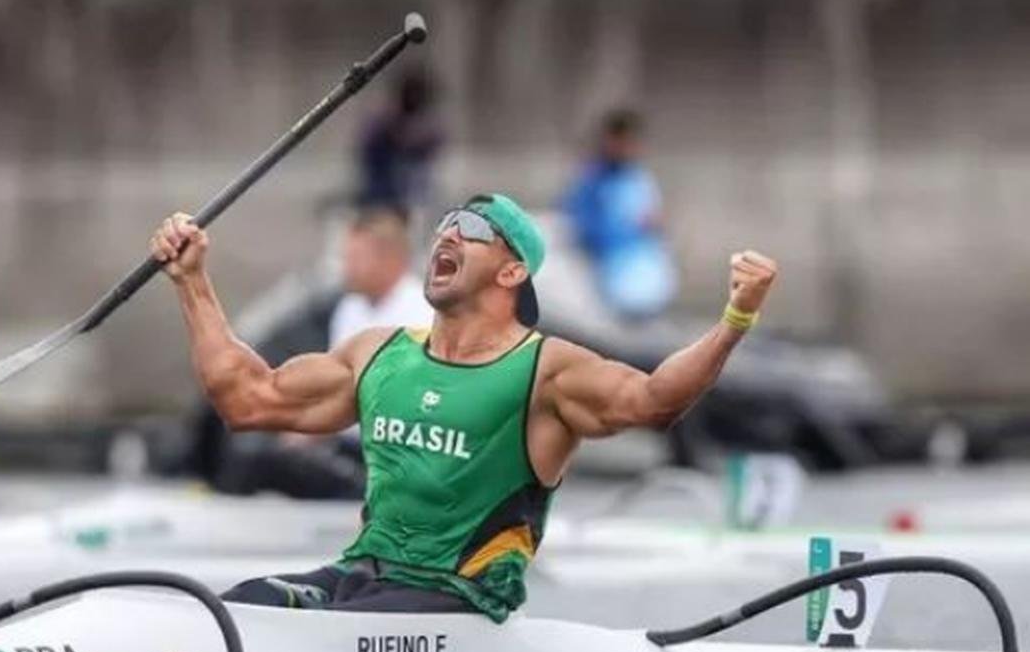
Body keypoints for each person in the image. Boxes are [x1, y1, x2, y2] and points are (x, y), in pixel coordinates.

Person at [149, 193, 776, 621]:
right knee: (232, 607)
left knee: (290, 624)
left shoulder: (546, 370)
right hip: (360, 577)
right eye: (446, 223)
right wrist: (193, 282)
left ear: (511, 273)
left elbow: (654, 401)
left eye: (474, 230)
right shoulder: (378, 354)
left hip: (457, 599)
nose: (448, 233)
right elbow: (248, 399)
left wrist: (735, 318)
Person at [562, 109, 677, 320]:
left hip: (647, 274)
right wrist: (632, 229)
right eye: (625, 142)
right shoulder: (592, 181)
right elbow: (584, 230)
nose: (631, 148)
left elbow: (653, 222)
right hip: (615, 273)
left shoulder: (638, 177)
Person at [329, 206, 432, 349]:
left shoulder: (424, 311)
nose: (348, 269)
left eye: (357, 259)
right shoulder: (348, 308)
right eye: (347, 259)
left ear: (390, 260)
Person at [355, 68, 443, 210]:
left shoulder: (425, 126)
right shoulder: (383, 122)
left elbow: (432, 144)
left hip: (411, 195)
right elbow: (369, 148)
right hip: (381, 195)